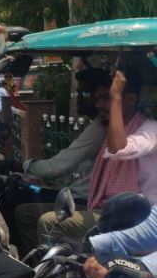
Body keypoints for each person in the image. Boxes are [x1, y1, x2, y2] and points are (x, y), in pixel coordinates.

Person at [31, 68, 157, 248]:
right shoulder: (109, 129)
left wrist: (116, 97)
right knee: (27, 213)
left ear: (130, 99)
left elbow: (120, 149)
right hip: (104, 208)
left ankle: (57, 274)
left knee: (49, 222)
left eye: (106, 98)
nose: (98, 105)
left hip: (137, 219)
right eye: (99, 99)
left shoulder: (150, 129)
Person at [0, 68, 109, 255]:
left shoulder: (100, 128)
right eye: (78, 93)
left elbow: (58, 166)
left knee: (17, 204)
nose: (81, 99)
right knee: (16, 195)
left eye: (86, 94)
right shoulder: (95, 125)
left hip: (83, 200)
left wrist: (19, 166)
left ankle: (39, 264)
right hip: (75, 191)